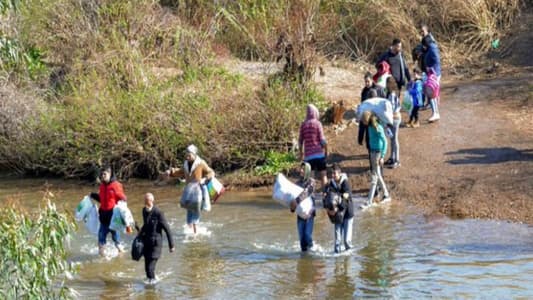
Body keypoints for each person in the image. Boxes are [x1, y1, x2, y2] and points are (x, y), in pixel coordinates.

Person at [165, 144, 215, 234]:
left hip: (198, 191)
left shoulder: (201, 163)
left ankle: (195, 234)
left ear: (194, 154)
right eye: (186, 154)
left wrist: (205, 178)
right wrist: (171, 171)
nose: (187, 156)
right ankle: (190, 230)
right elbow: (180, 172)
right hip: (189, 190)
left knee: (195, 209)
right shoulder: (185, 163)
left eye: (189, 154)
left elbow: (211, 172)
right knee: (188, 209)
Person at [90, 165, 127, 256]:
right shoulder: (102, 186)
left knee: (116, 240)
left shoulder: (116, 186)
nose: (103, 176)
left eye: (104, 174)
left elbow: (124, 199)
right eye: (101, 174)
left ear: (110, 174)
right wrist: (93, 195)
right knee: (101, 238)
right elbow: (102, 200)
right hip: (103, 217)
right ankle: (102, 259)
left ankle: (122, 256)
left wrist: (123, 215)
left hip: (113, 218)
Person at [140, 193, 174, 284]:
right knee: (147, 269)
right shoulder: (144, 210)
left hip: (156, 245)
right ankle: (150, 287)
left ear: (152, 201)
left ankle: (153, 288)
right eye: (145, 200)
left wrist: (171, 245)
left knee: (150, 268)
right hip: (147, 243)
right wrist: (139, 233)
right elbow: (145, 225)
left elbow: (167, 229)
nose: (145, 202)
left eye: (147, 200)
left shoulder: (158, 212)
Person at [360, 111, 391, 208]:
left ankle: (369, 201)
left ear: (367, 120)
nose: (362, 123)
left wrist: (382, 156)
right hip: (372, 152)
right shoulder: (369, 127)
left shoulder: (378, 127)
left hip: (377, 153)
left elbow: (385, 142)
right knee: (377, 175)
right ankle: (386, 194)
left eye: (363, 121)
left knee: (374, 177)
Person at [325, 163, 353, 253]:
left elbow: (347, 198)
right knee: (337, 241)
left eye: (335, 173)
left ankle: (348, 261)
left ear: (339, 173)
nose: (333, 175)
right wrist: (329, 210)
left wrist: (337, 209)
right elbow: (327, 199)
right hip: (337, 216)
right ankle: (336, 262)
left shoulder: (345, 183)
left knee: (346, 241)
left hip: (348, 214)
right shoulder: (331, 185)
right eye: (332, 174)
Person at [299, 104, 328, 188]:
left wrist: (301, 154)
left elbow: (300, 141)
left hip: (308, 157)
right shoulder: (318, 124)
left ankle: (311, 197)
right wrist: (326, 151)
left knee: (310, 178)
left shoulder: (303, 125)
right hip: (319, 155)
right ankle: (325, 195)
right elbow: (322, 140)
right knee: (323, 175)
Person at [290, 162, 316, 252]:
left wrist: (296, 201)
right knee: (302, 240)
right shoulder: (297, 183)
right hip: (300, 215)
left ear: (308, 171)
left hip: (309, 214)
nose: (301, 171)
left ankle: (312, 248)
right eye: (301, 169)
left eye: (303, 169)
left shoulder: (311, 182)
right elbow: (292, 197)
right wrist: (292, 208)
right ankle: (304, 259)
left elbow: (307, 192)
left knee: (307, 235)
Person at [385, 76, 401, 168]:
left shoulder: (392, 95)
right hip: (394, 118)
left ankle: (397, 160)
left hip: (394, 119)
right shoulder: (394, 93)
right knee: (392, 139)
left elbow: (392, 108)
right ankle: (392, 157)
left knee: (394, 140)